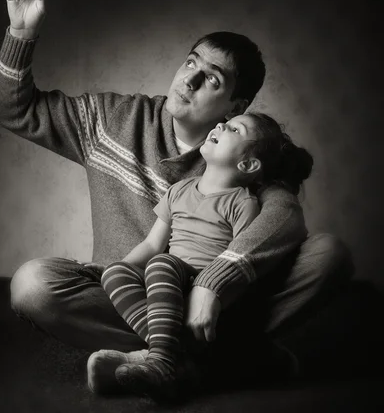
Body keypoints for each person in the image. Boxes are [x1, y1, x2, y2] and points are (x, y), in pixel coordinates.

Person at [0, 0, 353, 393]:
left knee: (329, 254)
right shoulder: (110, 120)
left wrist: (213, 284)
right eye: (190, 62)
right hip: (129, 297)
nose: (190, 80)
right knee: (31, 285)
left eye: (212, 79)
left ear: (237, 107)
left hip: (215, 302)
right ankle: (220, 358)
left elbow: (285, 217)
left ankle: (170, 360)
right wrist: (21, 34)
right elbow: (10, 109)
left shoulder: (244, 154)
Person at [96, 111, 313, 400]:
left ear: (247, 163)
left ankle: (160, 359)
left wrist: (216, 292)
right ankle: (177, 354)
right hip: (167, 282)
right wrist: (115, 269)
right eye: (225, 122)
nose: (221, 124)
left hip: (202, 289)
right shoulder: (178, 190)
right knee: (115, 272)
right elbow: (151, 245)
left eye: (235, 129)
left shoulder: (242, 202)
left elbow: (236, 255)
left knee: (162, 263)